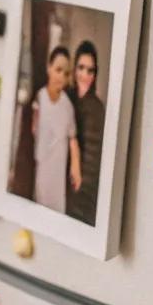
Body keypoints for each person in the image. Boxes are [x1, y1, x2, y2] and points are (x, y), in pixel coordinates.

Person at [32, 46, 81, 214]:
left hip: (58, 175)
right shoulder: (39, 98)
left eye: (66, 73)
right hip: (39, 171)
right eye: (58, 70)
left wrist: (75, 166)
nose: (61, 76)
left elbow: (72, 137)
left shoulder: (68, 106)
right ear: (49, 68)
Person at [66, 40, 105, 226]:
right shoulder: (66, 96)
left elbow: (93, 162)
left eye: (90, 70)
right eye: (81, 68)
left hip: (81, 196)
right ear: (74, 69)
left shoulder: (96, 108)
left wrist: (81, 196)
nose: (84, 75)